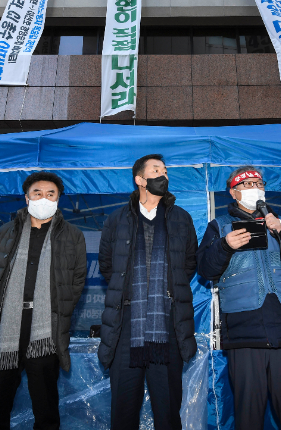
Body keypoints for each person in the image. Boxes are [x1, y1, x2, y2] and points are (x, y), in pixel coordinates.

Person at [197, 166, 281, 430]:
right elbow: (205, 270)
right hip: (244, 333)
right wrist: (224, 246)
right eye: (247, 184)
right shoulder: (219, 227)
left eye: (258, 183)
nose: (255, 188)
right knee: (249, 416)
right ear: (234, 192)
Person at [0, 172, 87, 430]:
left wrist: (58, 308)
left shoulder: (73, 235)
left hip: (45, 331)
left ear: (58, 199)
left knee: (46, 407)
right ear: (27, 197)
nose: (44, 198)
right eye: (37, 193)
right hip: (7, 327)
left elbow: (77, 279)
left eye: (50, 194)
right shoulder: (6, 231)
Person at [98, 154, 198, 430]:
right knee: (123, 411)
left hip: (168, 324)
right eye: (156, 170)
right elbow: (108, 265)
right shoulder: (117, 219)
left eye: (165, 171)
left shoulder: (181, 218)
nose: (163, 175)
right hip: (126, 326)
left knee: (167, 413)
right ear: (140, 179)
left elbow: (188, 264)